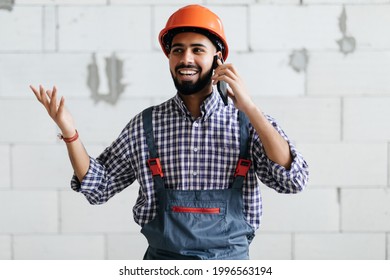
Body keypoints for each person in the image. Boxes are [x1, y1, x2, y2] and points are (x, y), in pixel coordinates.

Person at [30, 4, 309, 260]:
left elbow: (292, 180)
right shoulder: (146, 125)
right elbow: (98, 187)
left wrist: (248, 106)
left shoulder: (248, 121)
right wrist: (69, 132)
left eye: (197, 49)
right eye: (178, 50)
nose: (186, 58)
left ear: (218, 58)